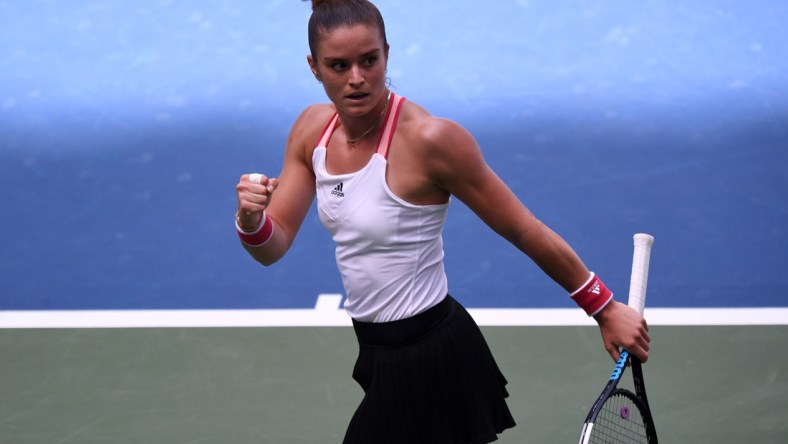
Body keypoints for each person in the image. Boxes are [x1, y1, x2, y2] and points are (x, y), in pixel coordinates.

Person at [235, 0, 650, 442]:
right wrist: (250, 218)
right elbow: (271, 247)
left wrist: (602, 307)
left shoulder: (431, 141)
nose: (356, 78)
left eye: (368, 61)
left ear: (387, 54)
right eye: (338, 66)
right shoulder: (311, 131)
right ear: (314, 68)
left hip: (430, 356)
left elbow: (522, 228)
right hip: (377, 351)